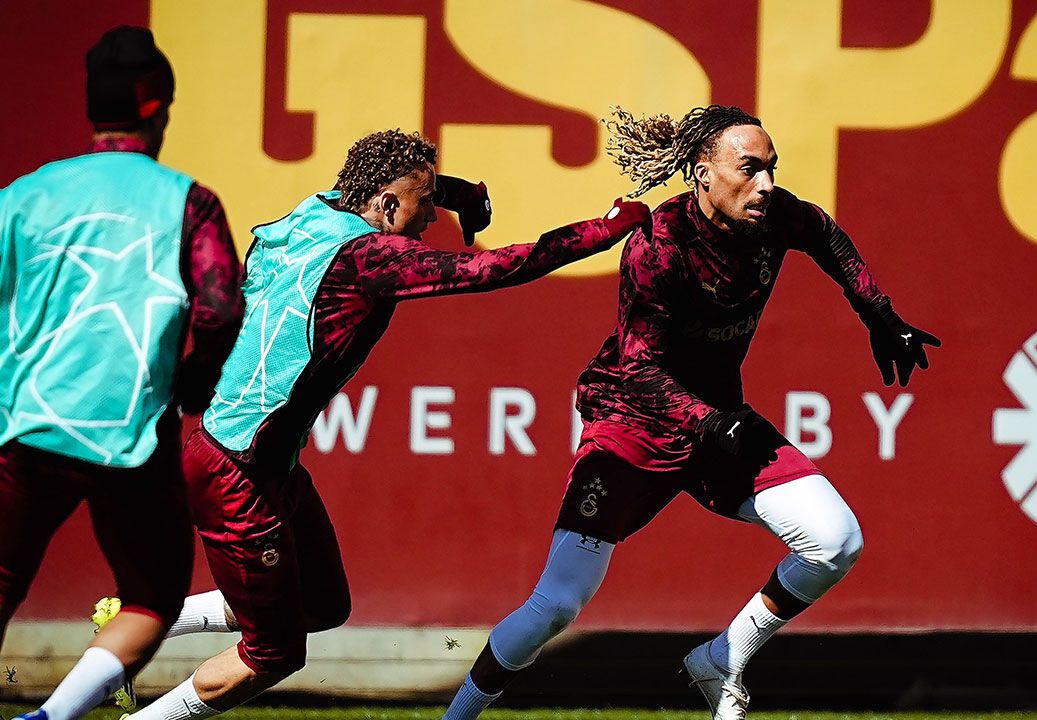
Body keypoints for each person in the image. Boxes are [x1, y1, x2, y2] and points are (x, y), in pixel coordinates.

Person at [106, 128, 651, 720]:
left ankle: (140, 617)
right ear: (388, 205)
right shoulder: (368, 259)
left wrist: (461, 195)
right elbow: (494, 267)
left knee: (322, 604)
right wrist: (604, 229)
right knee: (273, 653)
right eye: (425, 206)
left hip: (259, 462)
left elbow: (382, 186)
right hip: (237, 471)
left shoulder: (314, 213)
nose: (431, 221)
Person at [439, 105, 941, 720]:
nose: (766, 185)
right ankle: (457, 716)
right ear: (703, 174)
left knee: (836, 541)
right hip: (631, 424)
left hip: (718, 426)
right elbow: (639, 368)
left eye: (772, 169)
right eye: (749, 168)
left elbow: (826, 236)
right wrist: (708, 422)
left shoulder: (775, 217)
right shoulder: (659, 244)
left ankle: (723, 659)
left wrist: (880, 315)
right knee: (557, 605)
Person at [0, 26, 244, 720]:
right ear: (158, 108)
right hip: (131, 439)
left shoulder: (23, 196)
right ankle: (52, 718)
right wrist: (193, 384)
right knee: (151, 597)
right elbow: (222, 307)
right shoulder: (189, 202)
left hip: (24, 428)